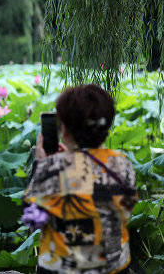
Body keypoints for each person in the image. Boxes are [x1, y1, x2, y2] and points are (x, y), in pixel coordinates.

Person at [23, 84, 137, 274]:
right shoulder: (122, 164)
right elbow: (125, 209)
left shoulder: (54, 167)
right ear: (106, 125)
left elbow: (32, 215)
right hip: (114, 267)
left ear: (64, 129)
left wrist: (42, 165)